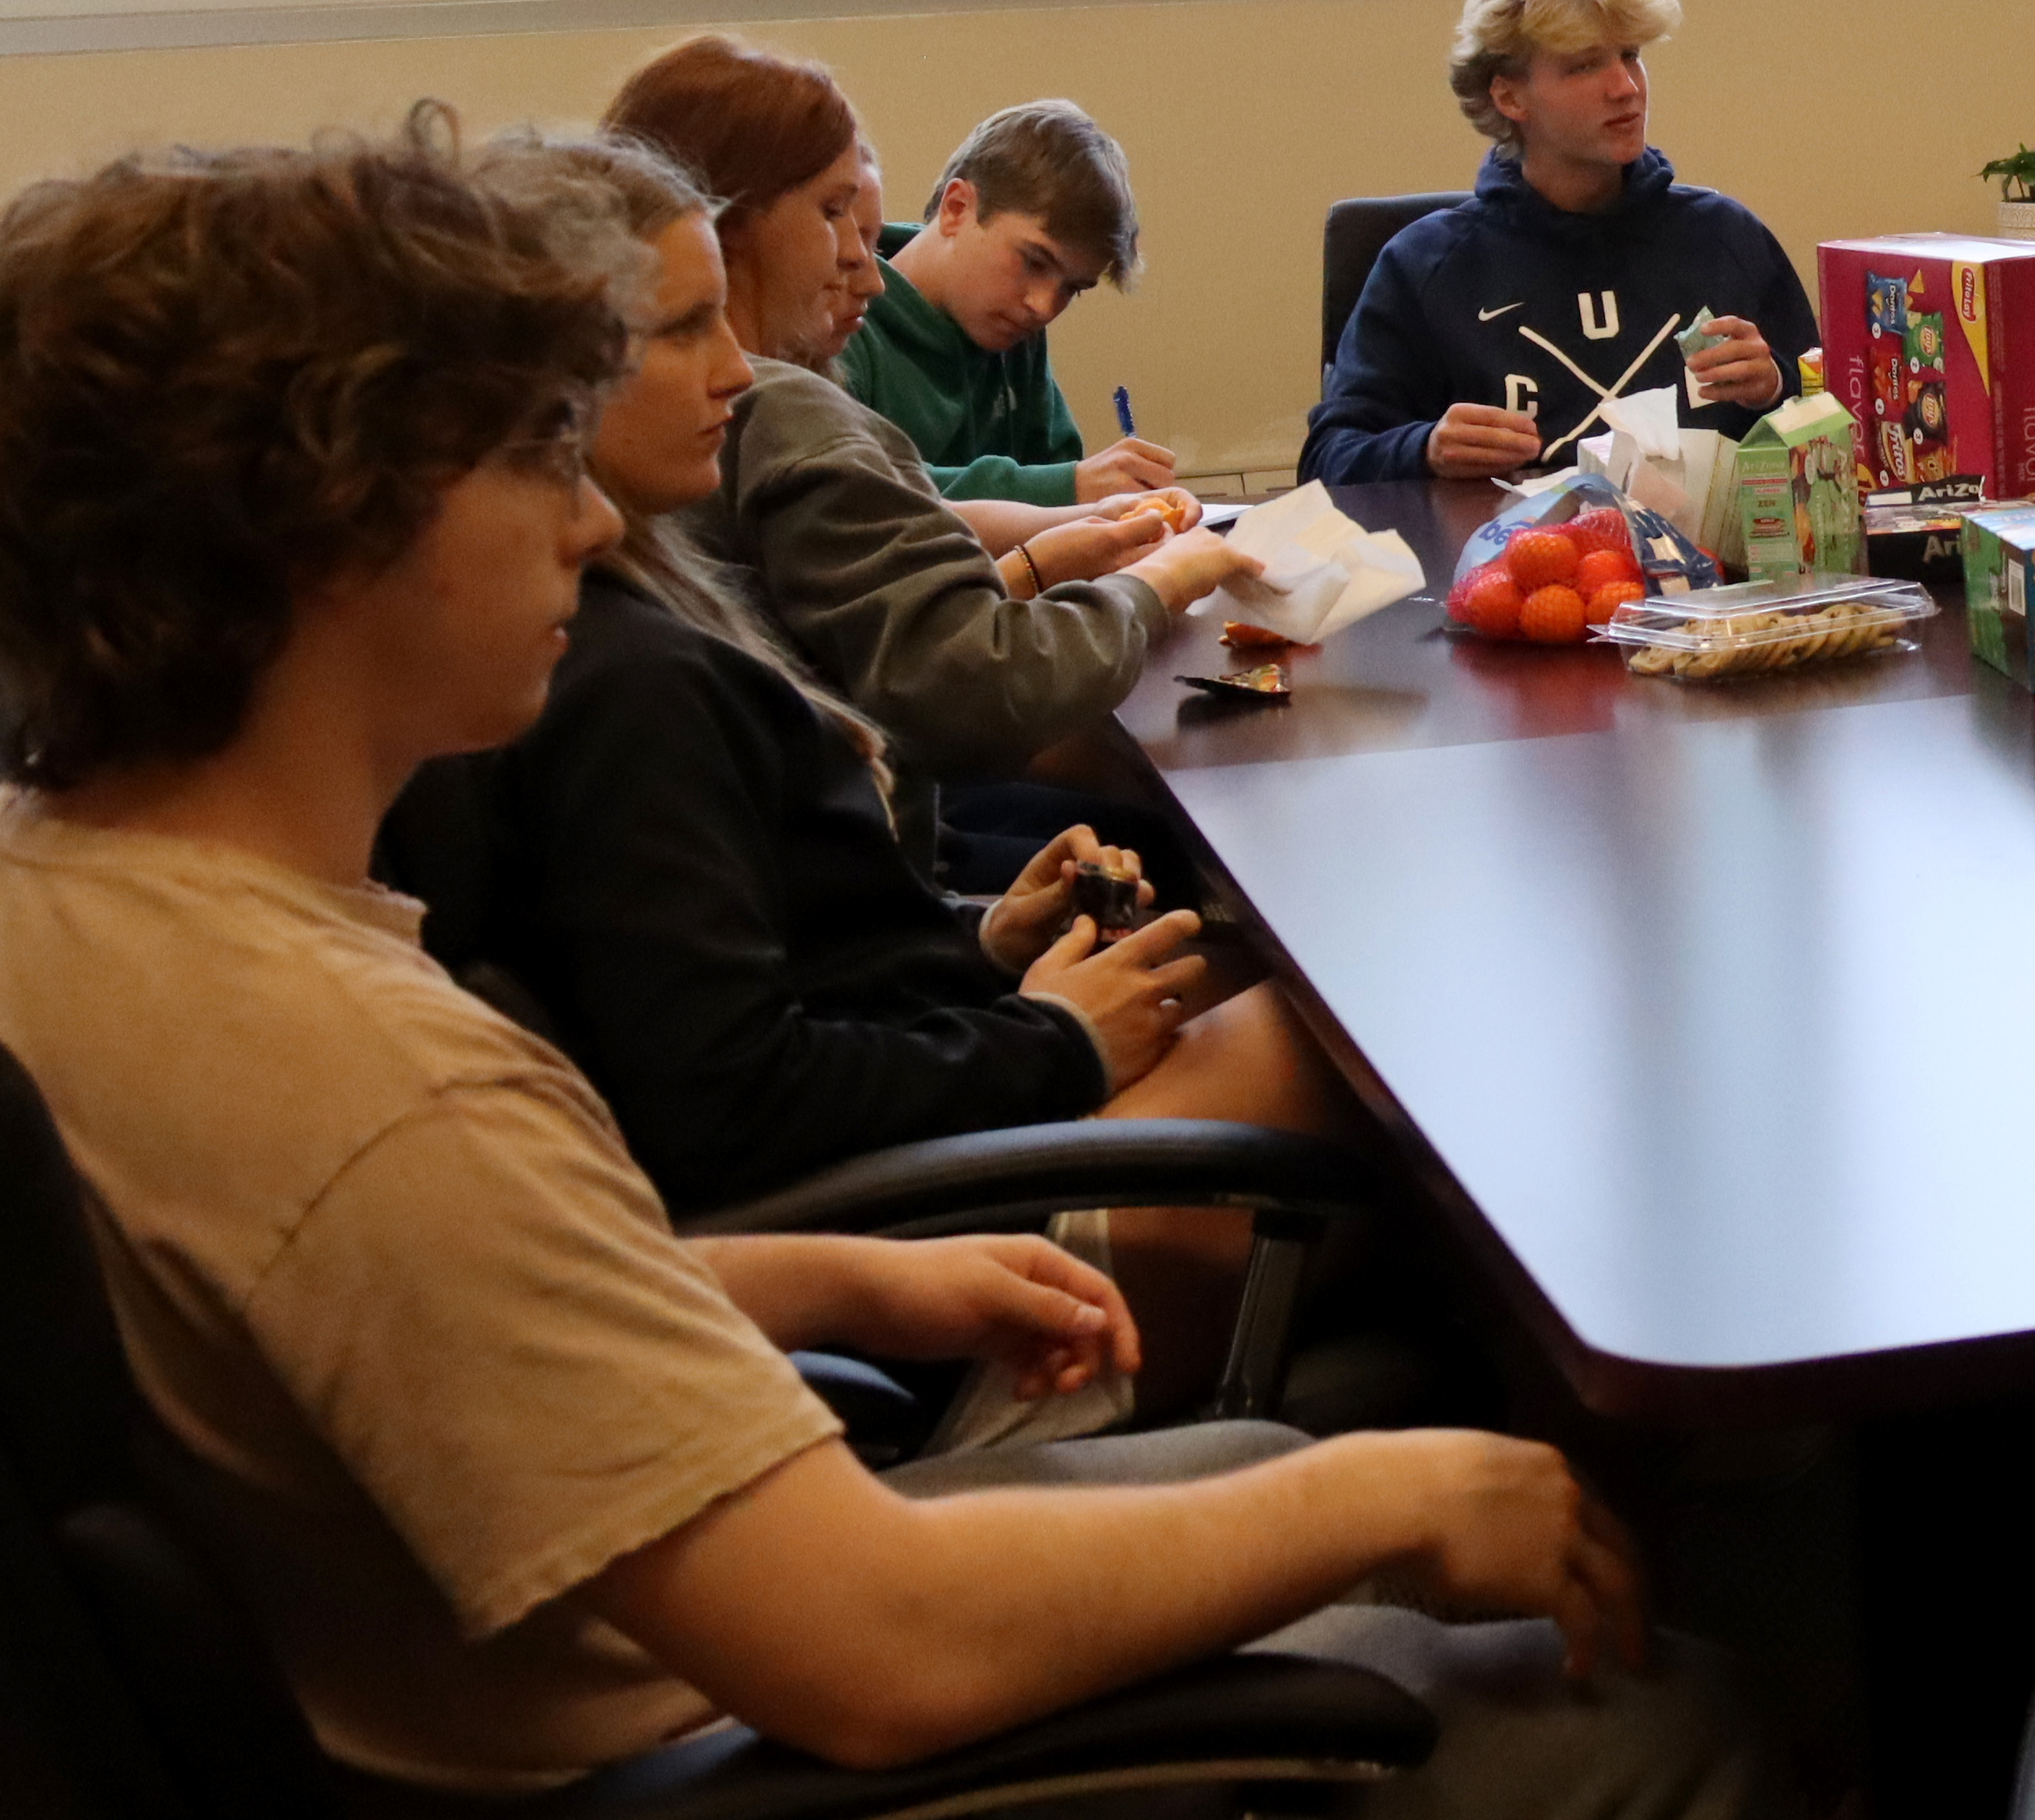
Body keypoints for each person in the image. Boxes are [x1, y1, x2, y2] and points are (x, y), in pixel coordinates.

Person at [0, 120, 1802, 1820]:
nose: (581, 521)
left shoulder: (15, 893)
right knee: (1666, 1731)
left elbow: (359, 1321)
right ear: (333, 523)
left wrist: (820, 1271)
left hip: (544, 1714)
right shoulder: (370, 1082)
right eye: (529, 459)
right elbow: (881, 1652)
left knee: (1278, 1473)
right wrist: (1399, 1498)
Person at [382, 132, 1345, 1225]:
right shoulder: (620, 685)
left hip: (917, 1070)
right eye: (686, 328)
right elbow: (724, 1102)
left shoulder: (649, 591)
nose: (738, 370)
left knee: (1234, 968)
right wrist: (1055, 1042)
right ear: (557, 371)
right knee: (1342, 1019)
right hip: (904, 1238)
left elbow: (747, 971)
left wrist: (974, 943)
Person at [604, 33, 1246, 884]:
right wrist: (1157, 585)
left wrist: (1031, 562)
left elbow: (837, 650)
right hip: (853, 877)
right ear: (732, 219)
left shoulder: (639, 416)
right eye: (834, 214)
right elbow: (973, 690)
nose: (863, 278)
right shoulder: (774, 403)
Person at [1300, 0, 1816, 487]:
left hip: (1712, 568)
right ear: (1510, 98)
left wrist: (1776, 386)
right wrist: (1425, 450)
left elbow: (1841, 426)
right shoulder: (1424, 266)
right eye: (1584, 66)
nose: (1626, 88)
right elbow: (1327, 459)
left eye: (1631, 56)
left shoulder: (1726, 237)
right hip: (1512, 564)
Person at [842, 97, 1183, 508]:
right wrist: (1065, 488)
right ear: (957, 208)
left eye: (1072, 288)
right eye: (1033, 261)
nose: (1043, 306)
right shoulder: (840, 318)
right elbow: (860, 494)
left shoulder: (1012, 332)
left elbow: (1056, 466)